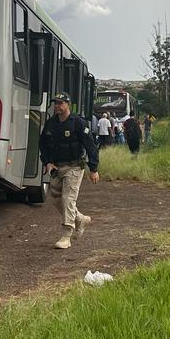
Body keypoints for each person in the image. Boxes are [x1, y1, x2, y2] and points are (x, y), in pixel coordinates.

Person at [39, 93, 100, 249]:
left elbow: (90, 146)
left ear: (68, 104)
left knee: (68, 198)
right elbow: (43, 144)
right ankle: (80, 219)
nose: (57, 106)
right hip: (57, 167)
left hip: (74, 166)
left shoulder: (78, 123)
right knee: (55, 198)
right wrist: (47, 162)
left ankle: (66, 236)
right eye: (56, 103)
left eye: (60, 103)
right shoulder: (51, 123)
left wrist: (93, 169)